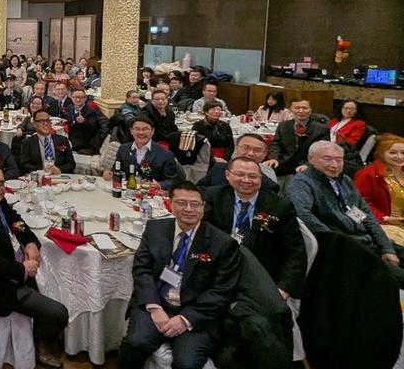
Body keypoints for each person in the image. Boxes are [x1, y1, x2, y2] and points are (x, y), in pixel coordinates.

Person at [118, 180, 240, 369]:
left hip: (196, 312)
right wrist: (154, 307)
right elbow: (142, 270)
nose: (189, 209)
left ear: (203, 207)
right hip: (157, 301)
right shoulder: (155, 229)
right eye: (181, 203)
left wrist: (185, 319)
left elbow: (221, 291)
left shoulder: (222, 243)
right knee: (136, 343)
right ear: (171, 205)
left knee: (187, 363)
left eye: (195, 204)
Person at [0, 165, 68, 367]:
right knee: (59, 313)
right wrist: (22, 270)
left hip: (11, 267)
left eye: (1, 183)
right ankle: (42, 344)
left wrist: (30, 242)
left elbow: (16, 222)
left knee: (55, 286)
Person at [288, 141, 404, 296]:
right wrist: (342, 242)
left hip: (368, 240)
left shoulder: (344, 181)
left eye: (339, 159)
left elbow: (366, 215)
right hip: (345, 247)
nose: (334, 165)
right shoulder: (302, 183)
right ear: (311, 159)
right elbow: (303, 215)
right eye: (327, 159)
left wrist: (387, 248)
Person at [202, 157, 306, 300]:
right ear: (227, 175)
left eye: (253, 176)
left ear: (261, 178)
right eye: (239, 174)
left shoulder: (280, 206)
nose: (246, 180)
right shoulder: (213, 196)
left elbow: (295, 251)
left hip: (261, 274)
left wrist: (284, 289)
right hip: (219, 270)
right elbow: (201, 234)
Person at [353, 134, 404, 256]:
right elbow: (357, 204)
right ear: (381, 154)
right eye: (393, 153)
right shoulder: (367, 174)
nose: (399, 157)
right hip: (380, 224)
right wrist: (385, 218)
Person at [105, 116, 185, 190]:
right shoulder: (123, 149)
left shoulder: (165, 154)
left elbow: (174, 180)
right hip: (127, 192)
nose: (141, 132)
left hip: (152, 195)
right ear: (131, 131)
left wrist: (160, 185)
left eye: (145, 129)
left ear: (152, 131)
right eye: (137, 129)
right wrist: (110, 173)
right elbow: (116, 169)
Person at [196, 133, 281, 193]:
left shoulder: (267, 172)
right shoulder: (218, 168)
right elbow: (199, 191)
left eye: (257, 150)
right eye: (246, 148)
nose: (250, 153)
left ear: (264, 155)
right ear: (236, 148)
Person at [270, 98, 329, 179]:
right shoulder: (283, 125)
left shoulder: (321, 129)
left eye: (305, 108)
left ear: (310, 110)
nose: (301, 111)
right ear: (290, 110)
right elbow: (276, 144)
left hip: (307, 164)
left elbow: (322, 152)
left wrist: (308, 165)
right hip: (284, 163)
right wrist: (274, 158)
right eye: (297, 108)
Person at [19, 109, 75, 175]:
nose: (46, 124)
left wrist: (59, 169)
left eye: (48, 120)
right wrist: (43, 170)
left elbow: (71, 163)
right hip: (39, 177)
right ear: (34, 124)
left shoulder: (62, 140)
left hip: (59, 177)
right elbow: (24, 165)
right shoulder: (27, 142)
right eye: (41, 121)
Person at [65, 89, 107, 154]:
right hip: (70, 135)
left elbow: (93, 126)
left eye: (80, 97)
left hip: (83, 140)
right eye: (75, 97)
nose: (78, 100)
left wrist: (84, 121)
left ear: (85, 98)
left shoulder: (90, 111)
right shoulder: (70, 107)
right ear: (71, 98)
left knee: (60, 145)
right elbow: (71, 121)